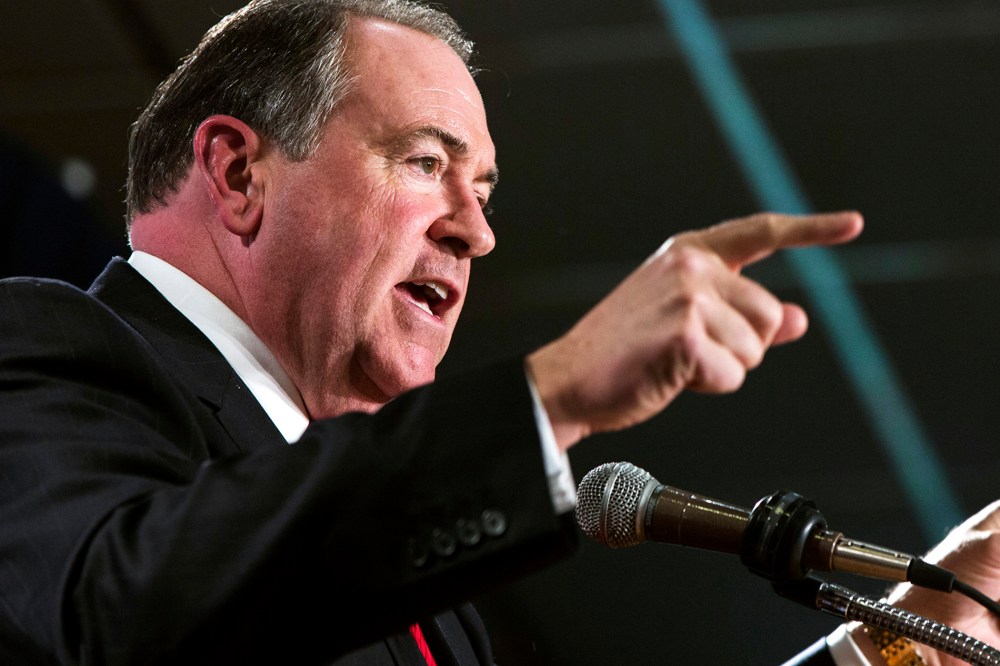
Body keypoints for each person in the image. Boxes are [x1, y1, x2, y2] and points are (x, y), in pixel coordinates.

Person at [0, 1, 994, 664]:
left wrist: (895, 650)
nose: (475, 232)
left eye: (483, 190)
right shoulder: (40, 347)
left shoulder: (434, 605)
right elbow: (112, 616)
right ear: (237, 173)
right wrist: (552, 393)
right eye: (425, 162)